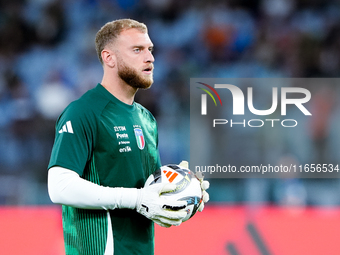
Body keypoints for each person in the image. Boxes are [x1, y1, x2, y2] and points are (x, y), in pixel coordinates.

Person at [47, 19, 209, 255]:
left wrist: (183, 195)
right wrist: (135, 198)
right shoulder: (83, 111)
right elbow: (59, 187)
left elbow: (148, 197)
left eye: (150, 49)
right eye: (137, 50)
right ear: (109, 58)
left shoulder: (147, 120)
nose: (150, 58)